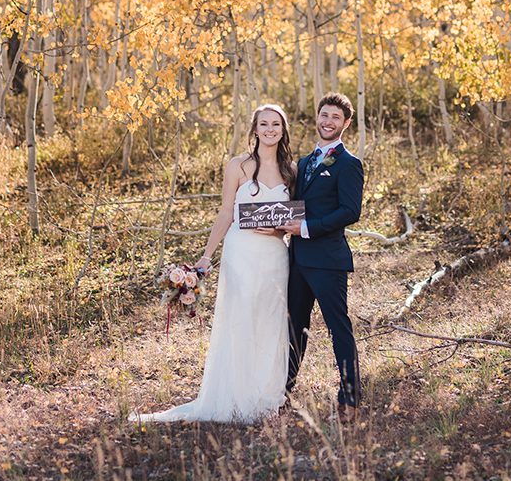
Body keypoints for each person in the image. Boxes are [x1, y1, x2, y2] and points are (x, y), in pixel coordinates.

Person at [131, 104, 293, 423]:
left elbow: (292, 218)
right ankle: (235, 394)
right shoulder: (238, 165)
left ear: (283, 130)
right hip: (241, 251)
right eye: (264, 123)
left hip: (275, 254)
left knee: (270, 320)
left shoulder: (293, 170)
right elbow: (225, 212)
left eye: (276, 124)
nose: (270, 129)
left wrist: (278, 228)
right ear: (255, 128)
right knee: (241, 317)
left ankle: (265, 395)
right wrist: (206, 256)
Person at [278, 92, 364, 417]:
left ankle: (350, 399)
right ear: (317, 117)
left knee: (337, 328)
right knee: (294, 328)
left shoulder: (348, 164)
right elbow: (291, 205)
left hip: (328, 260)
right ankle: (282, 392)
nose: (328, 122)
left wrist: (308, 228)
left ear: (346, 124)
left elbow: (349, 211)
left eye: (336, 118)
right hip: (297, 259)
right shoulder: (303, 163)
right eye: (324, 115)